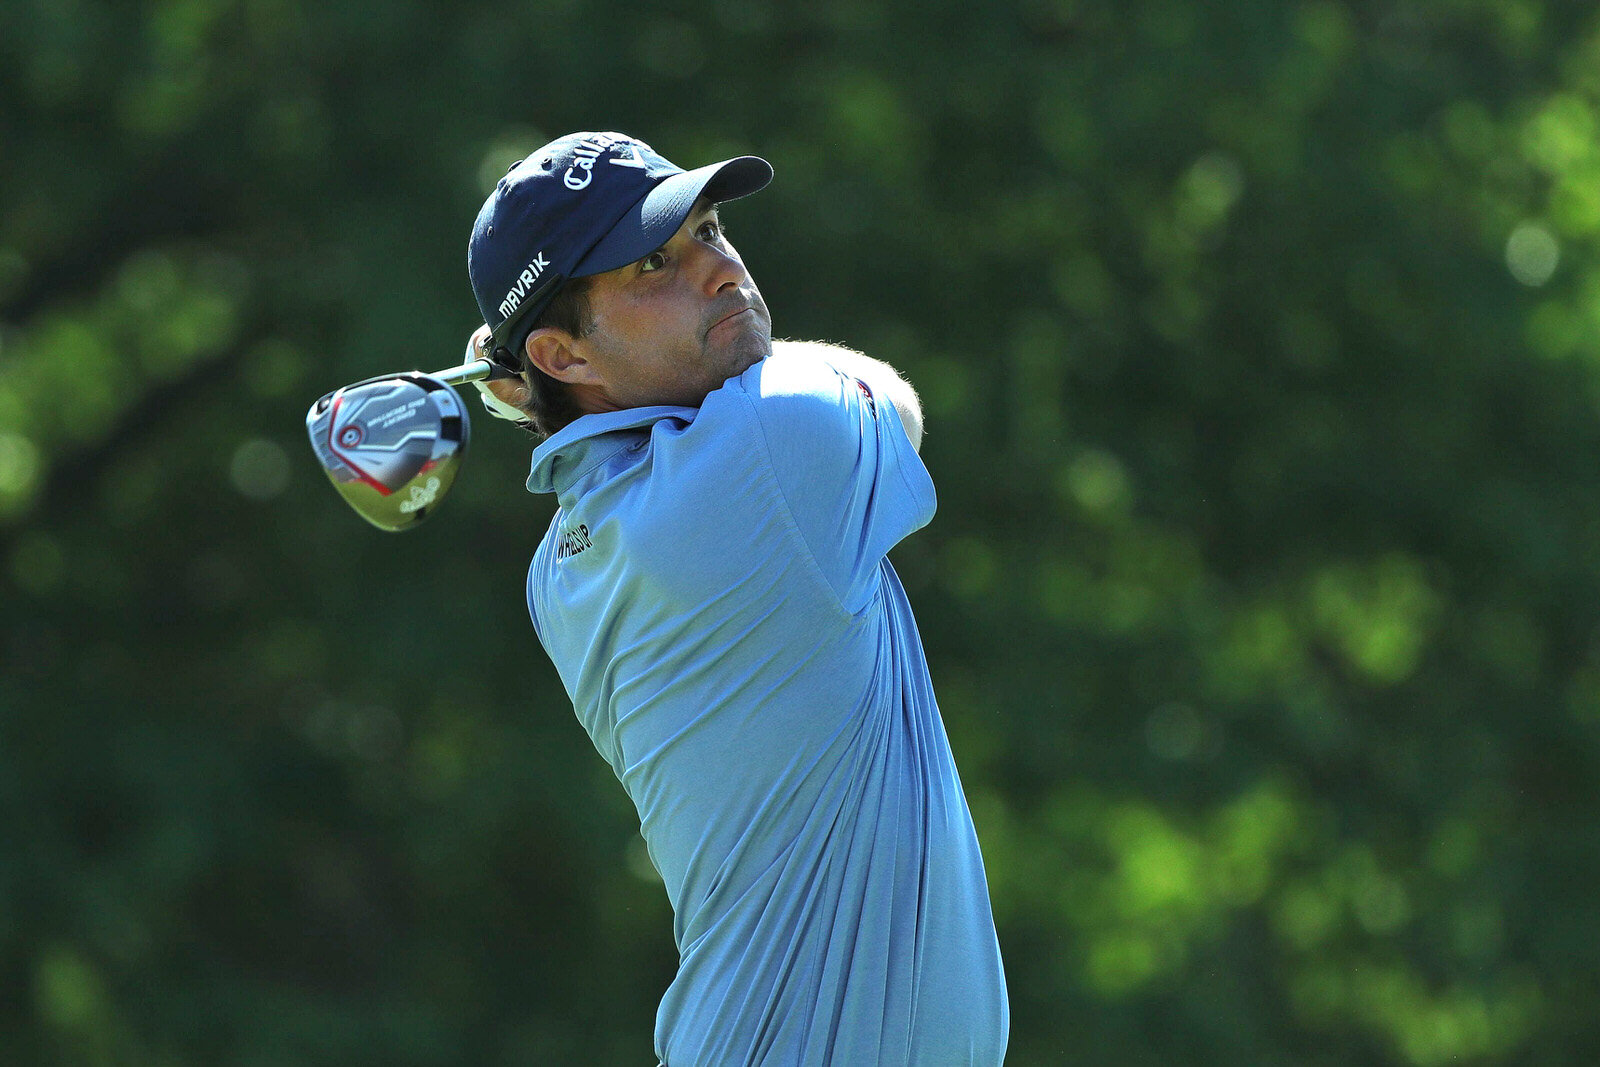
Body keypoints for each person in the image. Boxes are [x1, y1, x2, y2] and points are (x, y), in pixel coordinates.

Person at [465, 131, 1008, 1066]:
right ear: (560, 352)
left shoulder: (561, 564)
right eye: (652, 263)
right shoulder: (776, 442)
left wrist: (562, 383)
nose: (720, 269)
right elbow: (893, 403)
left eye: (709, 229)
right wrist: (557, 386)